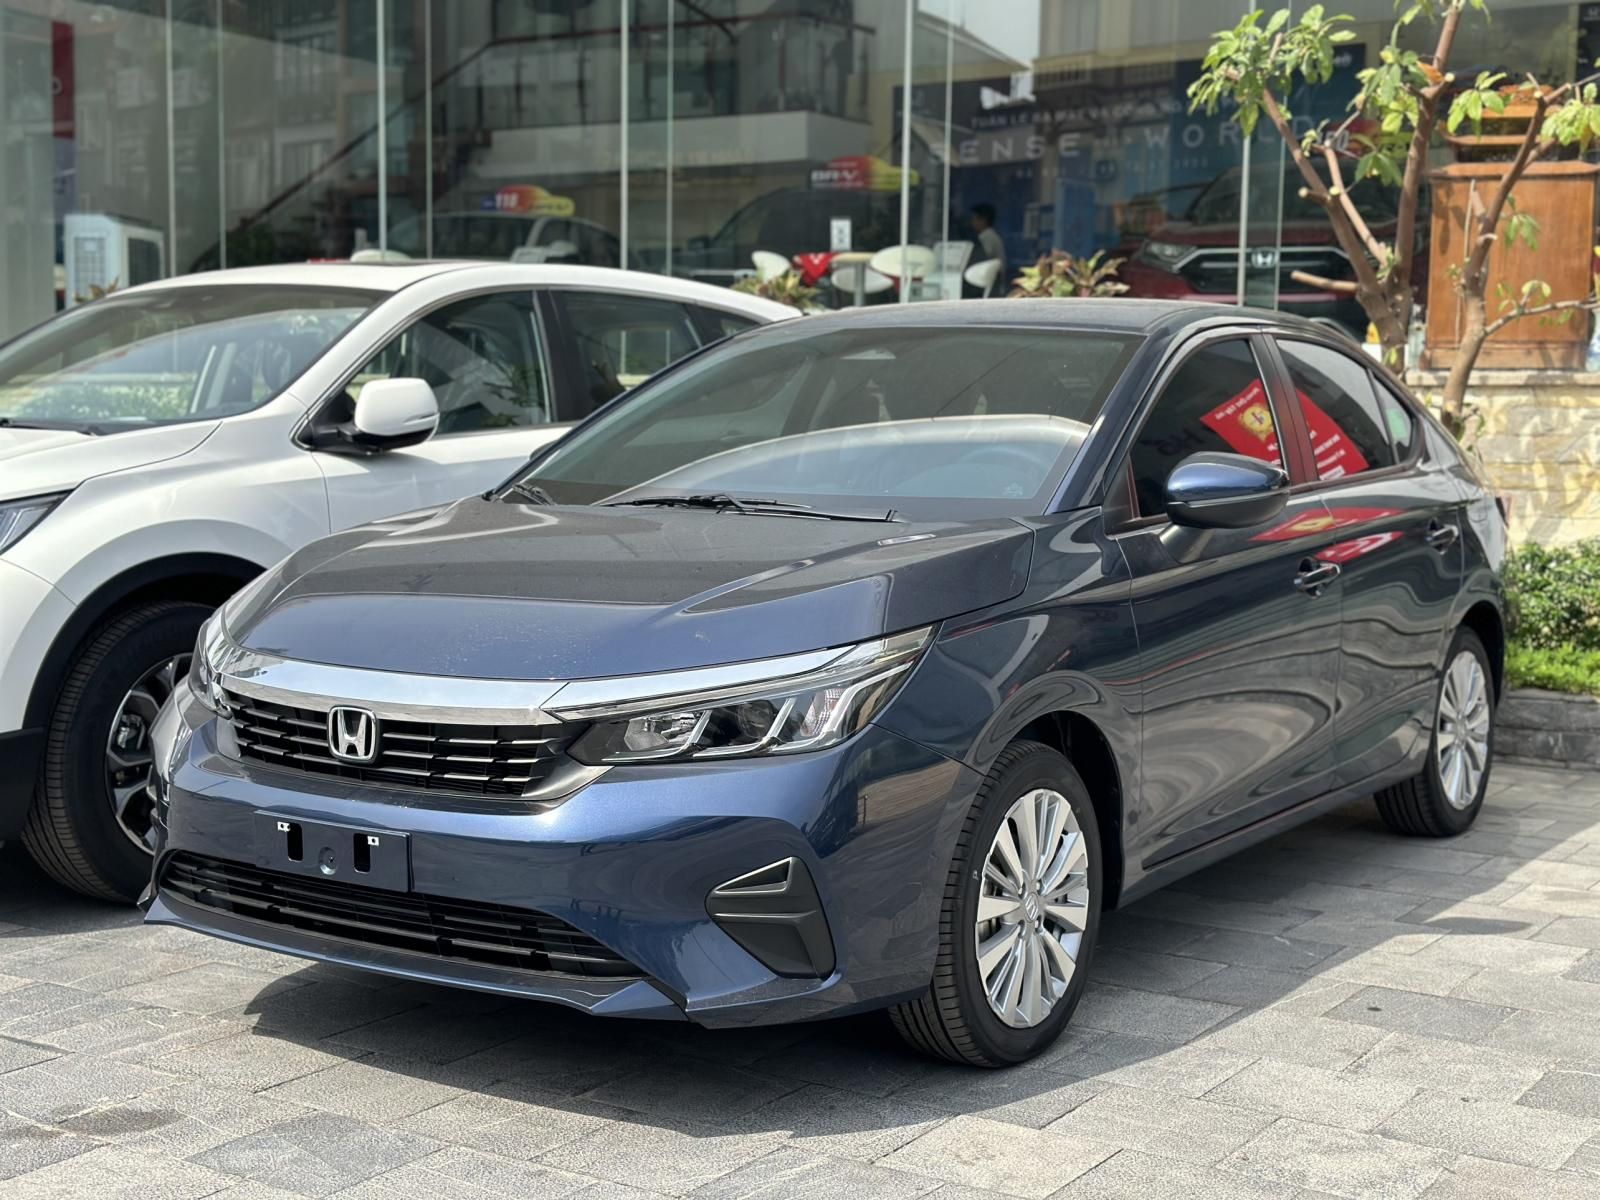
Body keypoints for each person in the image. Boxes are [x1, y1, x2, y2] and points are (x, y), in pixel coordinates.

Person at [969, 203, 1006, 298]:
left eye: (974, 219)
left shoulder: (988, 237)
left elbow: (983, 257)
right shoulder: (987, 236)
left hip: (991, 283)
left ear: (983, 220)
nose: (972, 223)